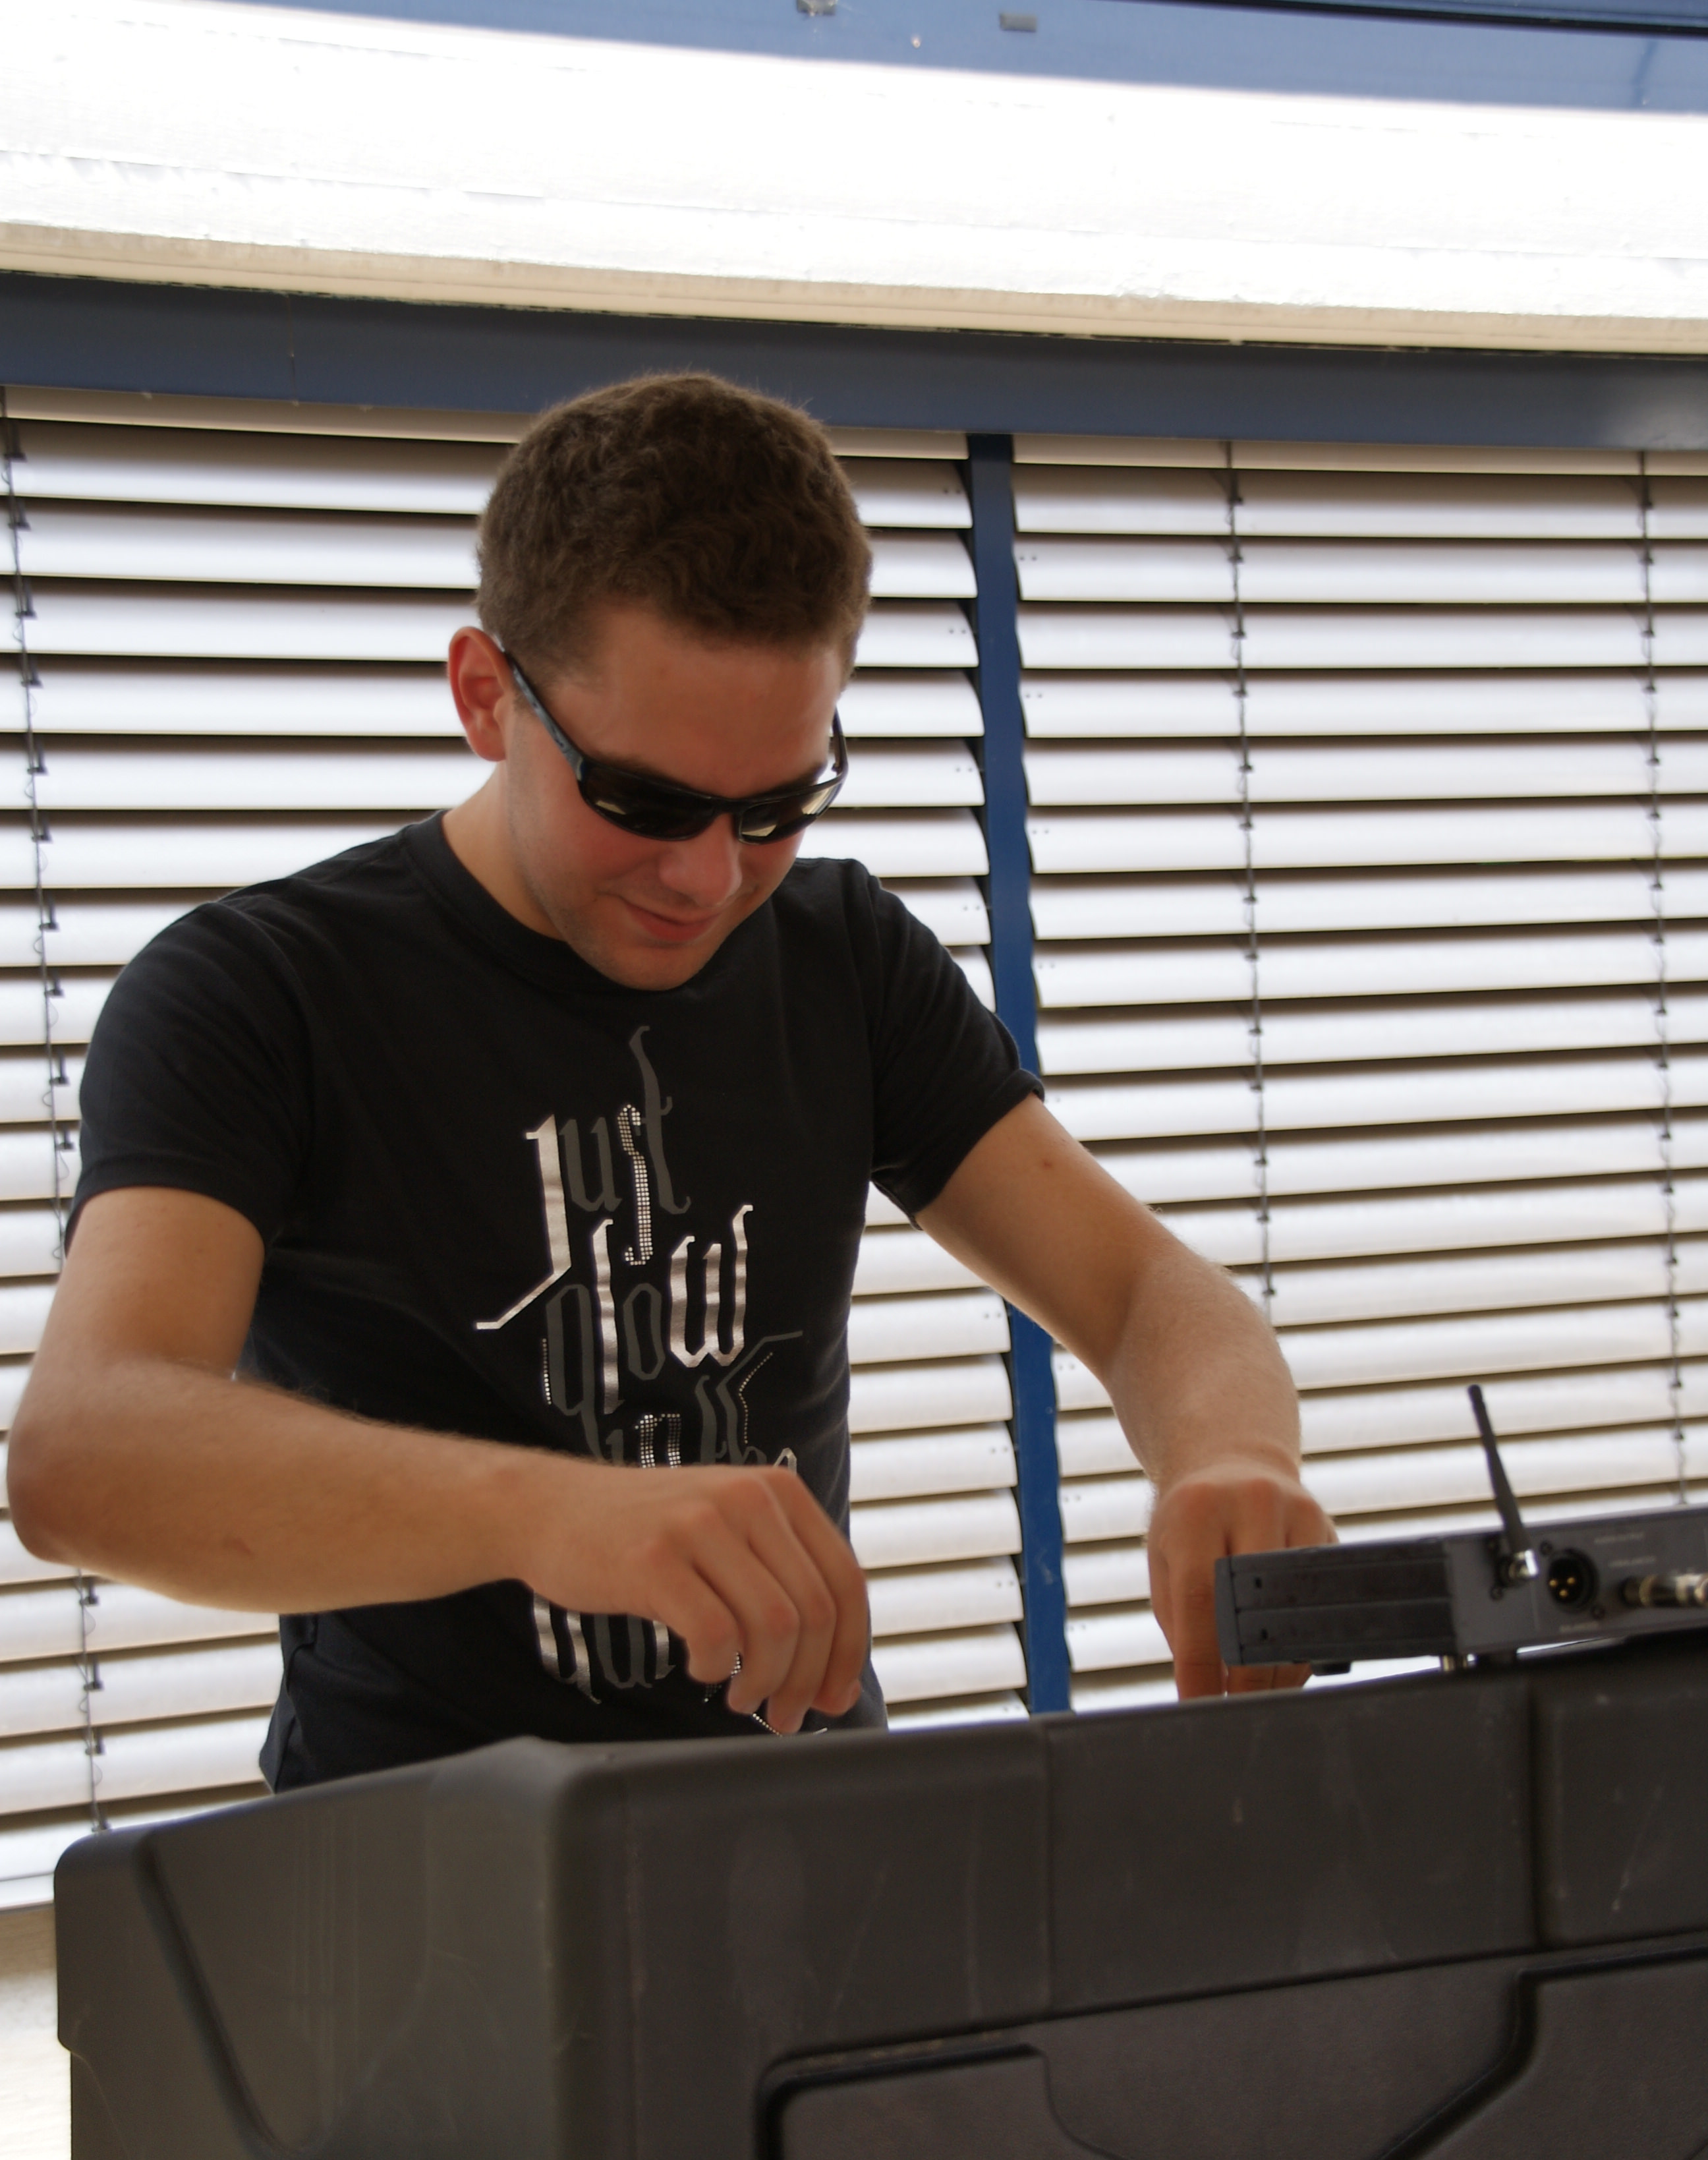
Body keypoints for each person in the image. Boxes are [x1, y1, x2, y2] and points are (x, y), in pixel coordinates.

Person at [8, 374, 1332, 1785]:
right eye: (642, 800)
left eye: (776, 806)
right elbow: (87, 1453)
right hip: (424, 1857)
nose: (708, 878)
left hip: (805, 1832)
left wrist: (1229, 1459)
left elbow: (1143, 1293)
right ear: (485, 696)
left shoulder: (843, 956)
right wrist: (554, 1516)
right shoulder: (259, 992)